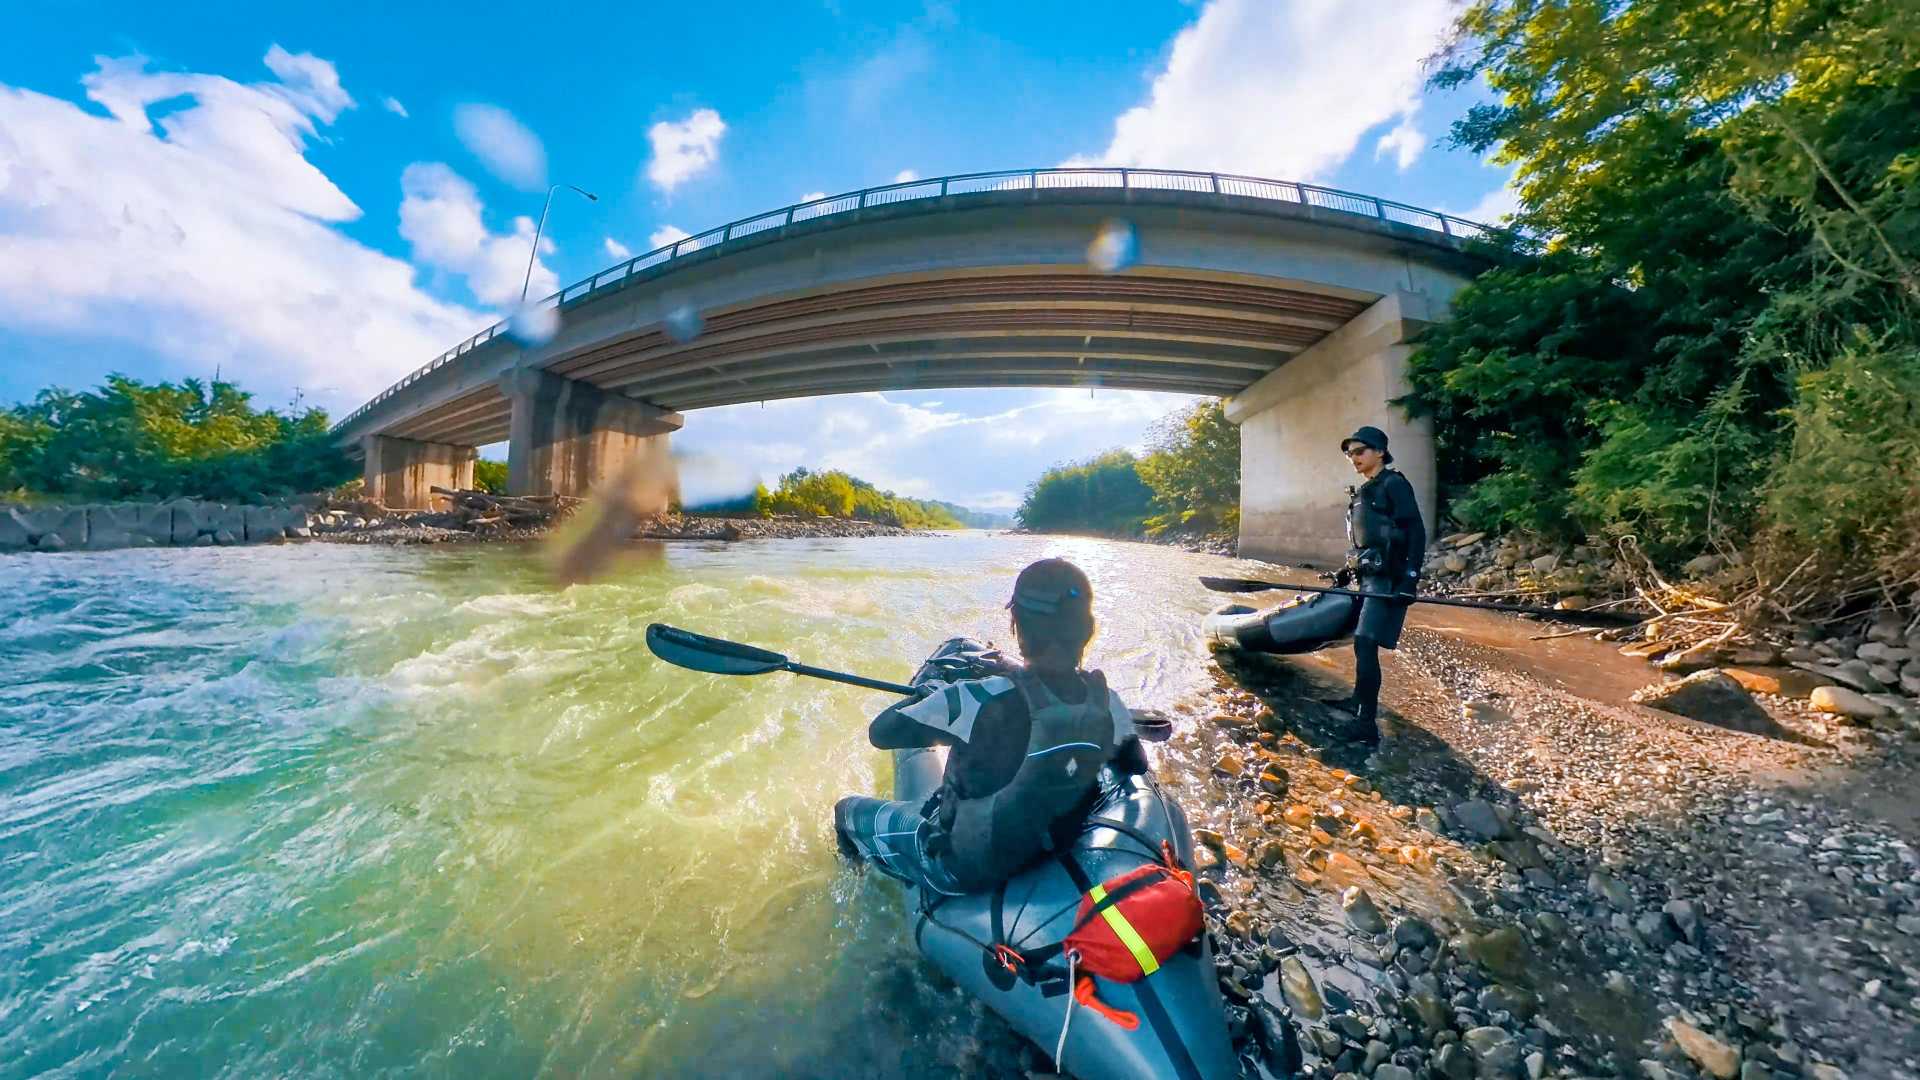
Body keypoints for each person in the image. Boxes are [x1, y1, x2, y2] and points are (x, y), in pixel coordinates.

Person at [833, 558, 1151, 895]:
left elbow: (881, 732)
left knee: (845, 811)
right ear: (1087, 630)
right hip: (1050, 845)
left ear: (1018, 628)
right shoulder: (1106, 699)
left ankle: (860, 891)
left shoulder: (974, 698)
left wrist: (932, 691)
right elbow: (1136, 763)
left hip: (962, 864)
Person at [1324, 425, 1425, 745]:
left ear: (1380, 452)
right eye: (1349, 454)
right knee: (1361, 642)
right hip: (1368, 577)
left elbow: (1416, 531)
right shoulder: (1366, 490)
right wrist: (1347, 570)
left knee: (1366, 641)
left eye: (1359, 451)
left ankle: (1366, 724)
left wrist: (1411, 578)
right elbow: (1368, 540)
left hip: (1388, 577)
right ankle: (1358, 701)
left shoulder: (1394, 484)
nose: (1353, 458)